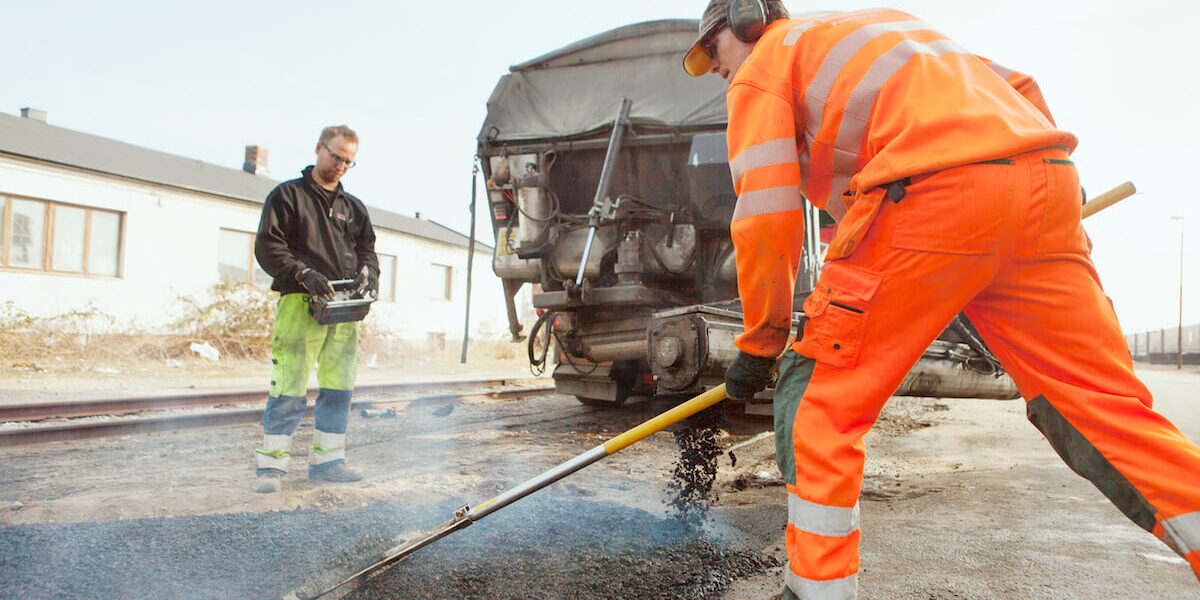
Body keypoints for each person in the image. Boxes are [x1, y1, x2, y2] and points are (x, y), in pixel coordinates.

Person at [683, 1, 1200, 597]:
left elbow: (766, 218)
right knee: (1102, 408)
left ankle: (814, 590)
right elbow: (1020, 85)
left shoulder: (765, 63)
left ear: (748, 22)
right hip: (1045, 181)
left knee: (815, 403)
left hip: (934, 192)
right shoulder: (891, 31)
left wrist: (764, 339)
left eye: (714, 49)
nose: (716, 68)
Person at [251, 125, 379, 494]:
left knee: (339, 387)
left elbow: (367, 248)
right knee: (289, 384)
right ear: (319, 148)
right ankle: (272, 469)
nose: (340, 165)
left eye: (348, 162)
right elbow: (268, 246)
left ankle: (328, 462)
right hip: (300, 301)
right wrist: (302, 273)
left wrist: (370, 270)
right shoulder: (287, 197)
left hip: (344, 306)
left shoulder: (352, 208)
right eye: (336, 156)